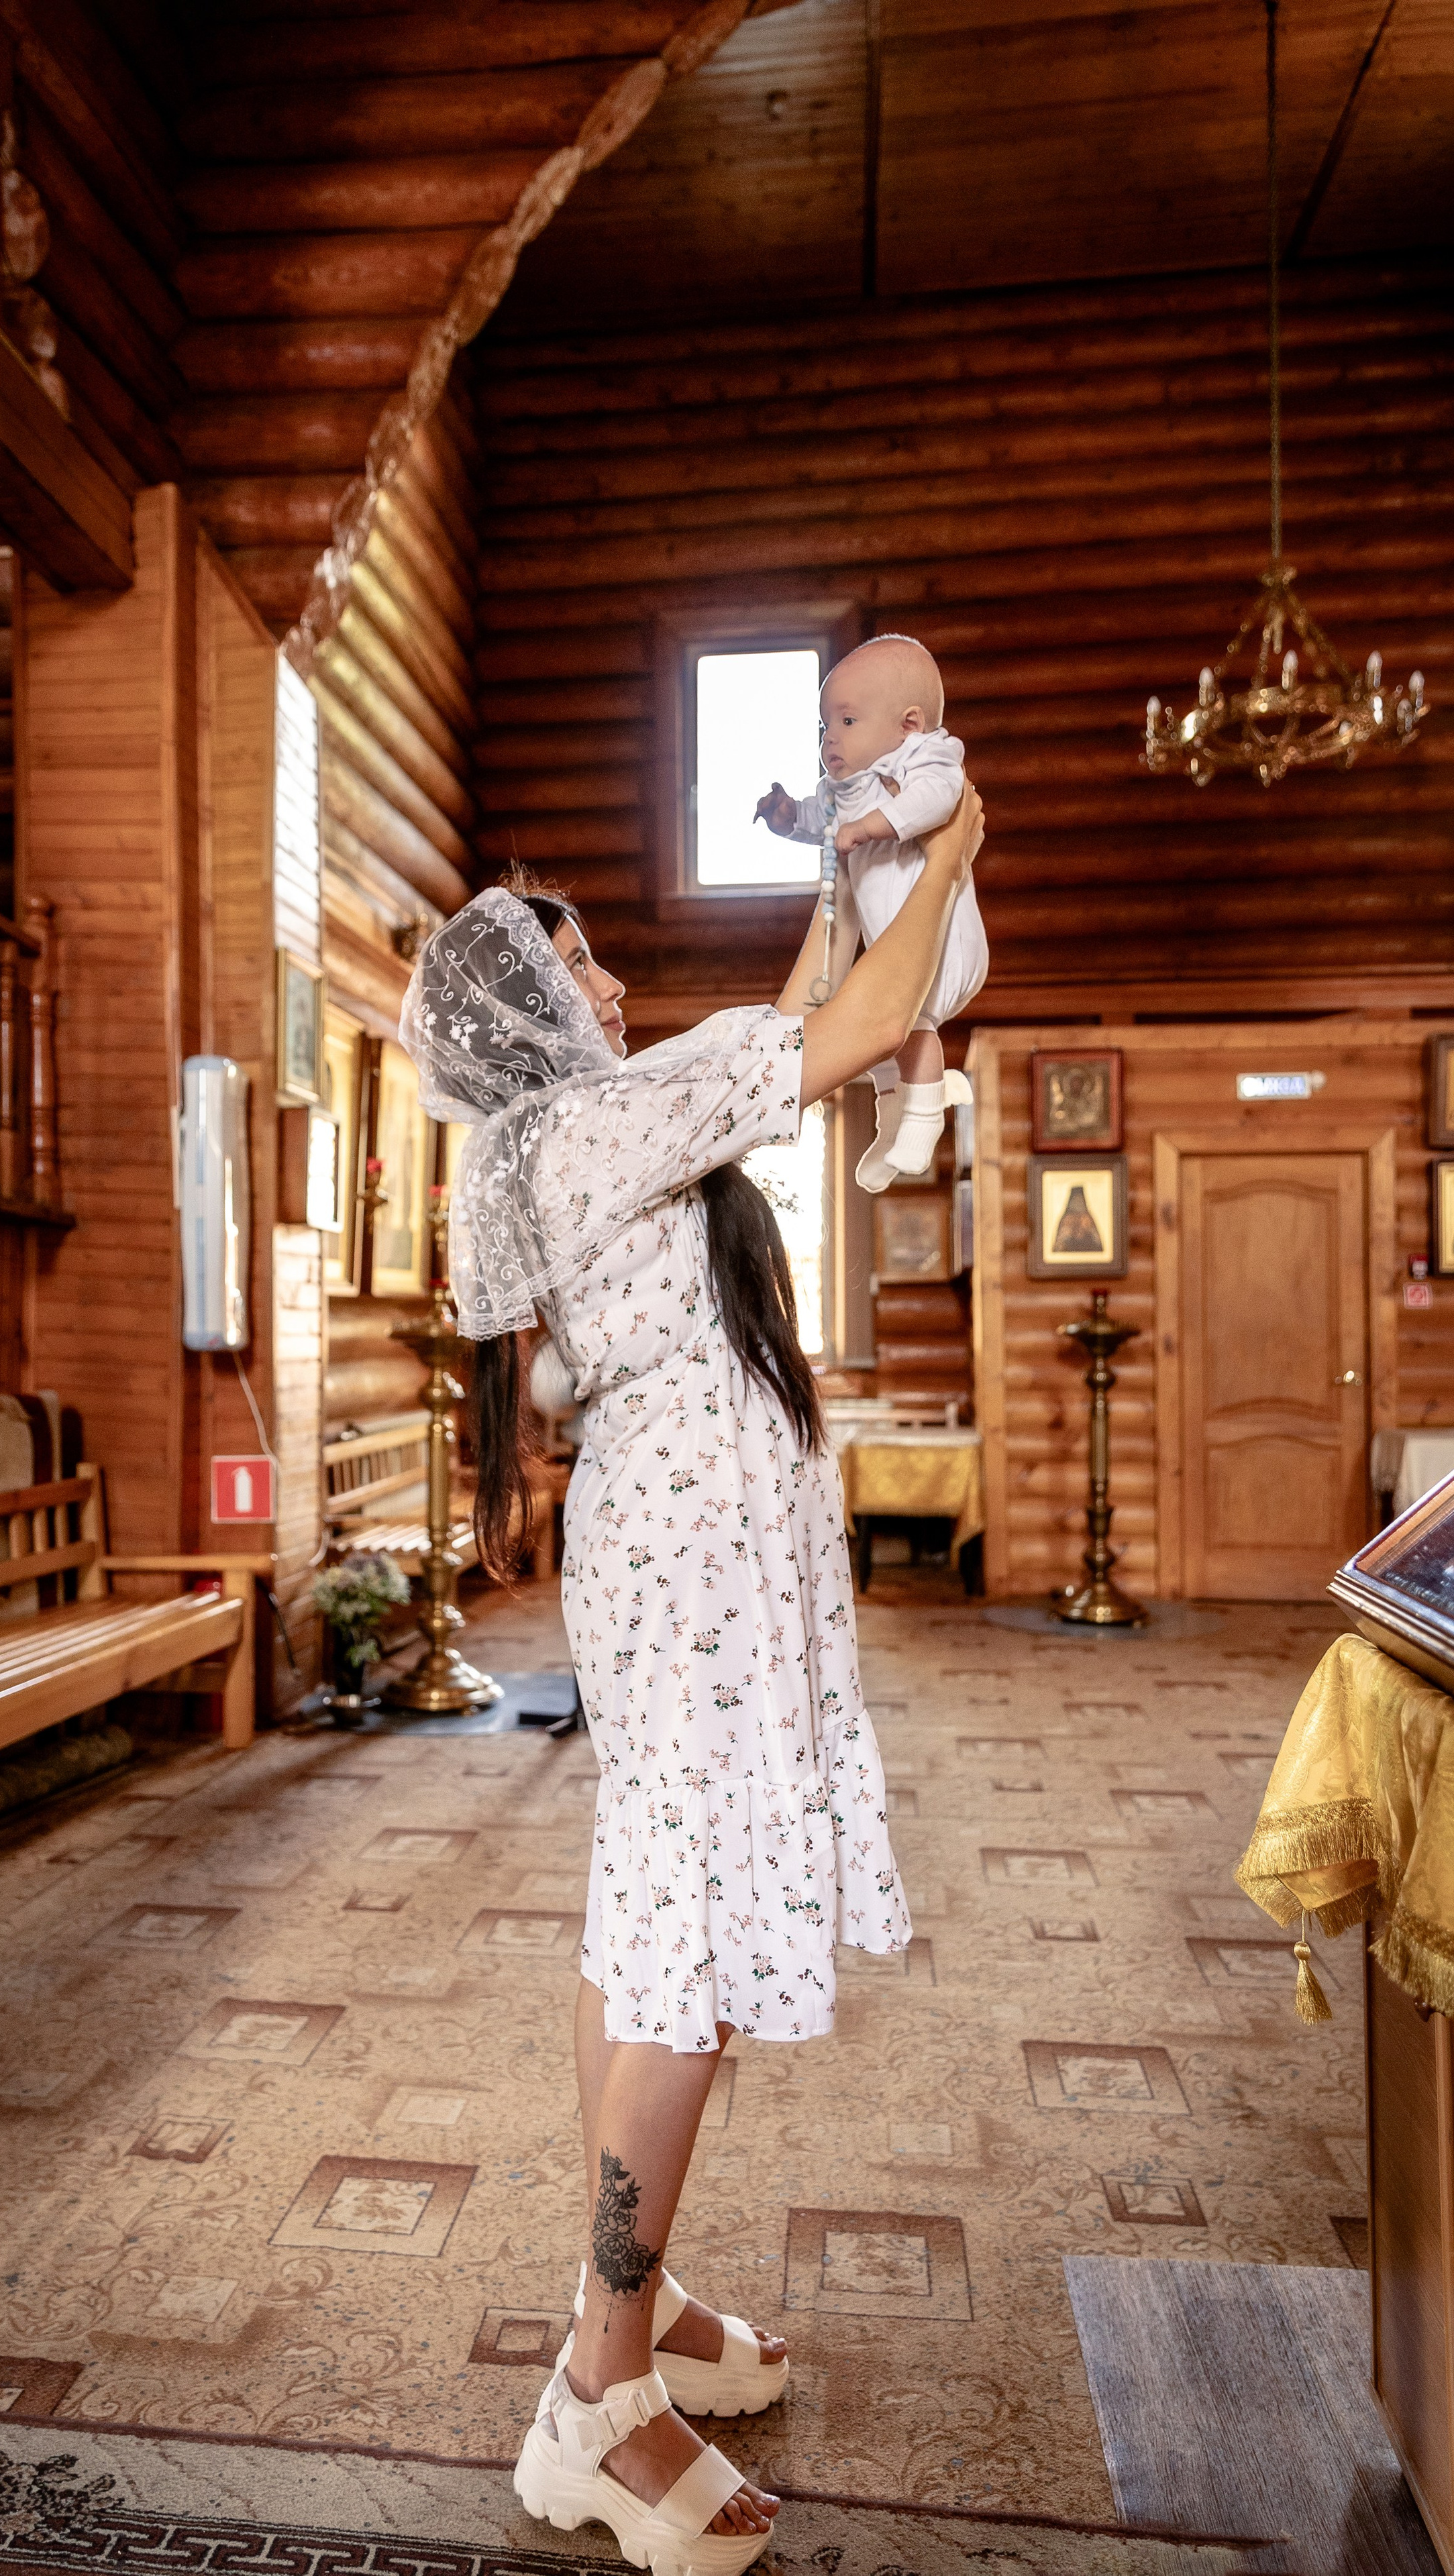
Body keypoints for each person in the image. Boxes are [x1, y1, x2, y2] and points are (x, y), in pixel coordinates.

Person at [399, 788, 983, 2576]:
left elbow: (804, 1001)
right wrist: (949, 835)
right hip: (690, 1569)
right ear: (520, 1005)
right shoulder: (586, 1128)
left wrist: (845, 875)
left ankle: (634, 2308)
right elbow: (863, 1020)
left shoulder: (589, 1120)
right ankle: (597, 2392)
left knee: (652, 1935)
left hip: (693, 1557)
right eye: (570, 952)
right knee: (684, 1958)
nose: (607, 973)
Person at [754, 634, 988, 1193]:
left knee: (910, 1025)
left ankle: (926, 1118)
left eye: (848, 721)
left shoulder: (924, 759)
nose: (831, 737)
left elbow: (939, 799)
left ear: (909, 725)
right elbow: (819, 819)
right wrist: (788, 817)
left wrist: (868, 828)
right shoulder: (844, 788)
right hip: (886, 945)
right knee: (875, 1039)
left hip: (939, 945)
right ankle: (889, 1122)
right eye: (824, 728)